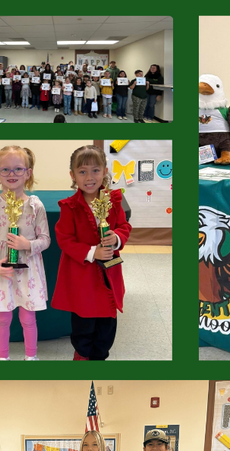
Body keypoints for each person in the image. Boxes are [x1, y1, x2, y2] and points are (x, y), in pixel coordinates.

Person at [52, 145, 131, 360]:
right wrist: (91, 252)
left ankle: (100, 356)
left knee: (107, 325)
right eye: (82, 171)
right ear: (73, 175)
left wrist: (116, 238)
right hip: (83, 278)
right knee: (83, 323)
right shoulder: (69, 207)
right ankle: (82, 356)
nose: (89, 177)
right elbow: (65, 239)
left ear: (105, 171)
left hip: (109, 276)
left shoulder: (113, 200)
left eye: (95, 170)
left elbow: (124, 226)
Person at [0, 145, 50, 361]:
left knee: (28, 318)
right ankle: (3, 359)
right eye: (5, 170)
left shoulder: (35, 205)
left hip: (29, 272)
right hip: (1, 272)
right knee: (2, 319)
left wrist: (27, 245)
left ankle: (31, 357)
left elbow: (45, 239)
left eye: (18, 169)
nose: (12, 174)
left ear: (28, 172)